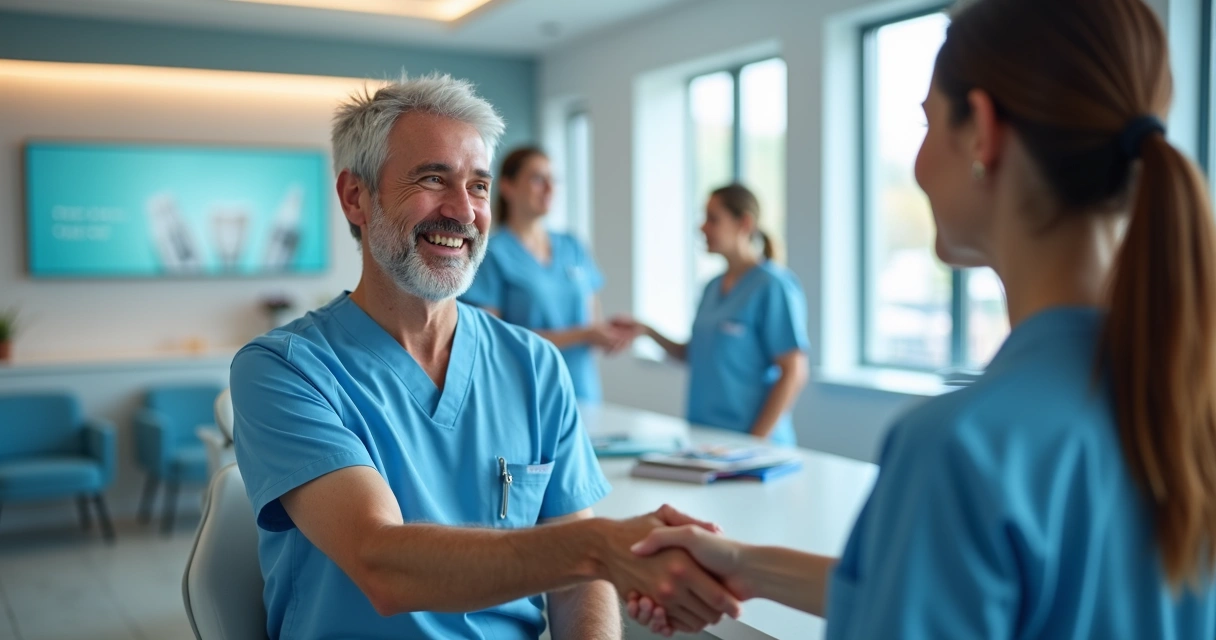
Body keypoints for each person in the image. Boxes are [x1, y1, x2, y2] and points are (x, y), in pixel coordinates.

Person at [624, 0, 1216, 637]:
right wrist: (747, 565)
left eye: (926, 122)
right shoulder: (1181, 406)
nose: (917, 164)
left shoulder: (962, 447)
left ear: (982, 131)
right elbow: (962, 587)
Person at [230, 73, 741, 640]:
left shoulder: (534, 366)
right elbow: (381, 563)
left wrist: (593, 561)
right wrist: (599, 547)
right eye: (432, 179)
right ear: (356, 197)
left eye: (477, 186)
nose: (464, 211)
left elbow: (578, 585)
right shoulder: (285, 369)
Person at [621, 185, 810, 446]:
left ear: (744, 223)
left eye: (713, 219)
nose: (702, 227)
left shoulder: (772, 286)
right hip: (706, 440)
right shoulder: (712, 287)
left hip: (753, 446)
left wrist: (754, 443)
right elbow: (695, 354)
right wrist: (646, 331)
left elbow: (794, 371)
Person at [460, 146, 630, 403]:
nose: (550, 188)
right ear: (507, 187)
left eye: (554, 180)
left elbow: (593, 321)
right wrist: (582, 335)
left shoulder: (572, 246)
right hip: (525, 394)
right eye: (538, 179)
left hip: (582, 392)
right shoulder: (492, 254)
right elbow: (490, 340)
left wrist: (612, 334)